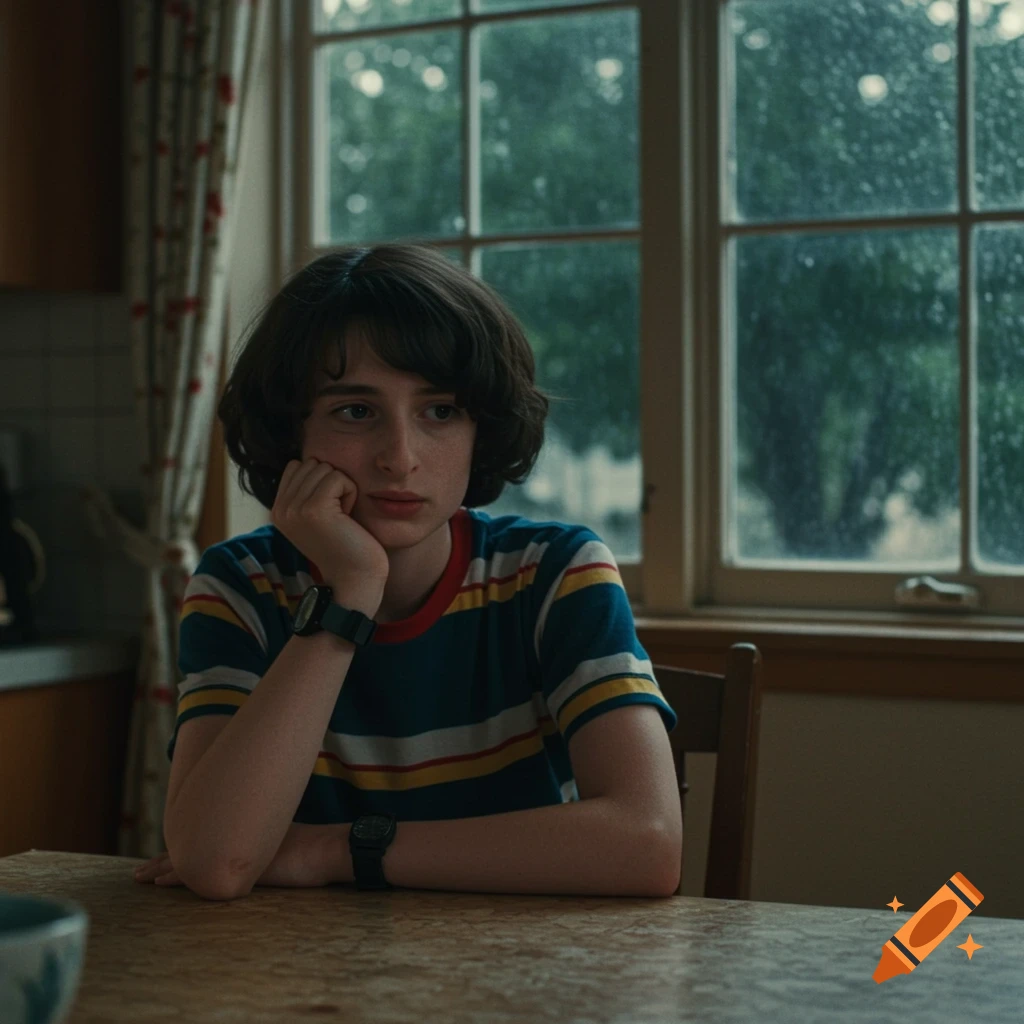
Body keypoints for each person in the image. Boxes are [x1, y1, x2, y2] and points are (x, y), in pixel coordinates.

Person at [132, 243, 682, 901]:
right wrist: (351, 593)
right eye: (355, 411)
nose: (399, 456)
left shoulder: (554, 573)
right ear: (291, 432)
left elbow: (647, 844)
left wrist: (340, 850)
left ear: (483, 427)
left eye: (440, 410)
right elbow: (215, 863)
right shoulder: (240, 584)